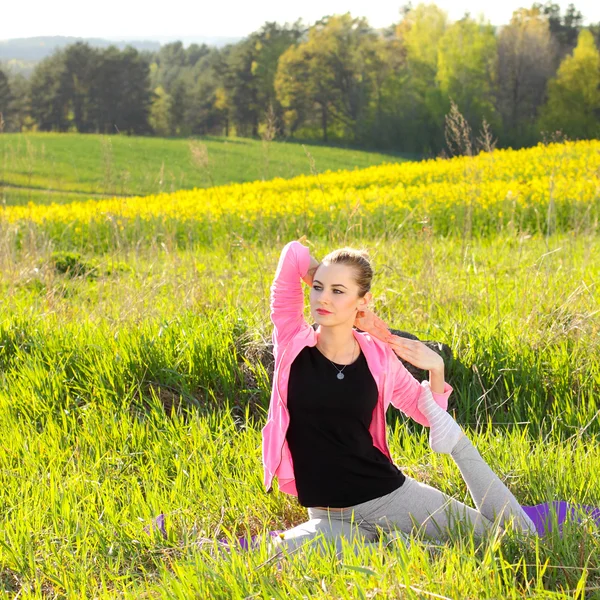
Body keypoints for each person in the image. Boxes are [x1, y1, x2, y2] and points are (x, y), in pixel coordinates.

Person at [262, 239, 536, 554]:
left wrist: (436, 369)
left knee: (516, 543)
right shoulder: (292, 341)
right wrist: (333, 284)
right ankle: (396, 547)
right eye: (318, 287)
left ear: (363, 300)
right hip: (327, 513)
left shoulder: (379, 357)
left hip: (390, 496)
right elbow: (292, 253)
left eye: (338, 291)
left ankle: (459, 448)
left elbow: (426, 413)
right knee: (280, 552)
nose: (323, 298)